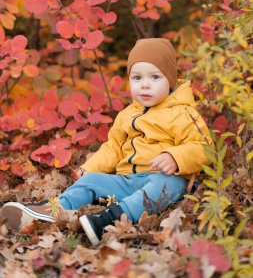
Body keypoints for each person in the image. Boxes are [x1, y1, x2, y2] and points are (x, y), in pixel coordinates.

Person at [1, 38, 211, 246]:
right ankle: (52, 210)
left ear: (171, 80)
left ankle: (109, 220)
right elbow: (113, 148)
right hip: (128, 181)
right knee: (90, 182)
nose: (145, 85)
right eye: (137, 78)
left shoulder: (182, 113)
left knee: (162, 184)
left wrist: (174, 157)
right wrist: (89, 168)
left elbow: (203, 147)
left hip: (167, 180)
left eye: (155, 77)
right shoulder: (127, 114)